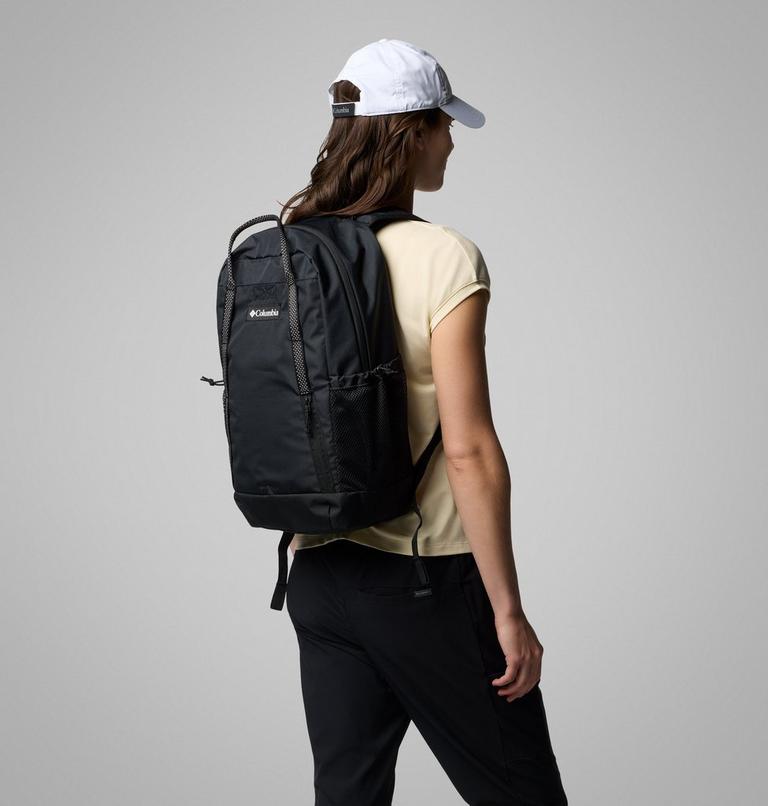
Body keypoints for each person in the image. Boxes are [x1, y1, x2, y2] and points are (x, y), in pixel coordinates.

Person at [279, 39, 569, 806]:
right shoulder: (444, 258)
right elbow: (468, 450)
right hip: (423, 580)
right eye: (443, 125)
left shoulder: (292, 247)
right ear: (412, 133)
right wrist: (508, 611)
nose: (451, 143)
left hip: (317, 576)